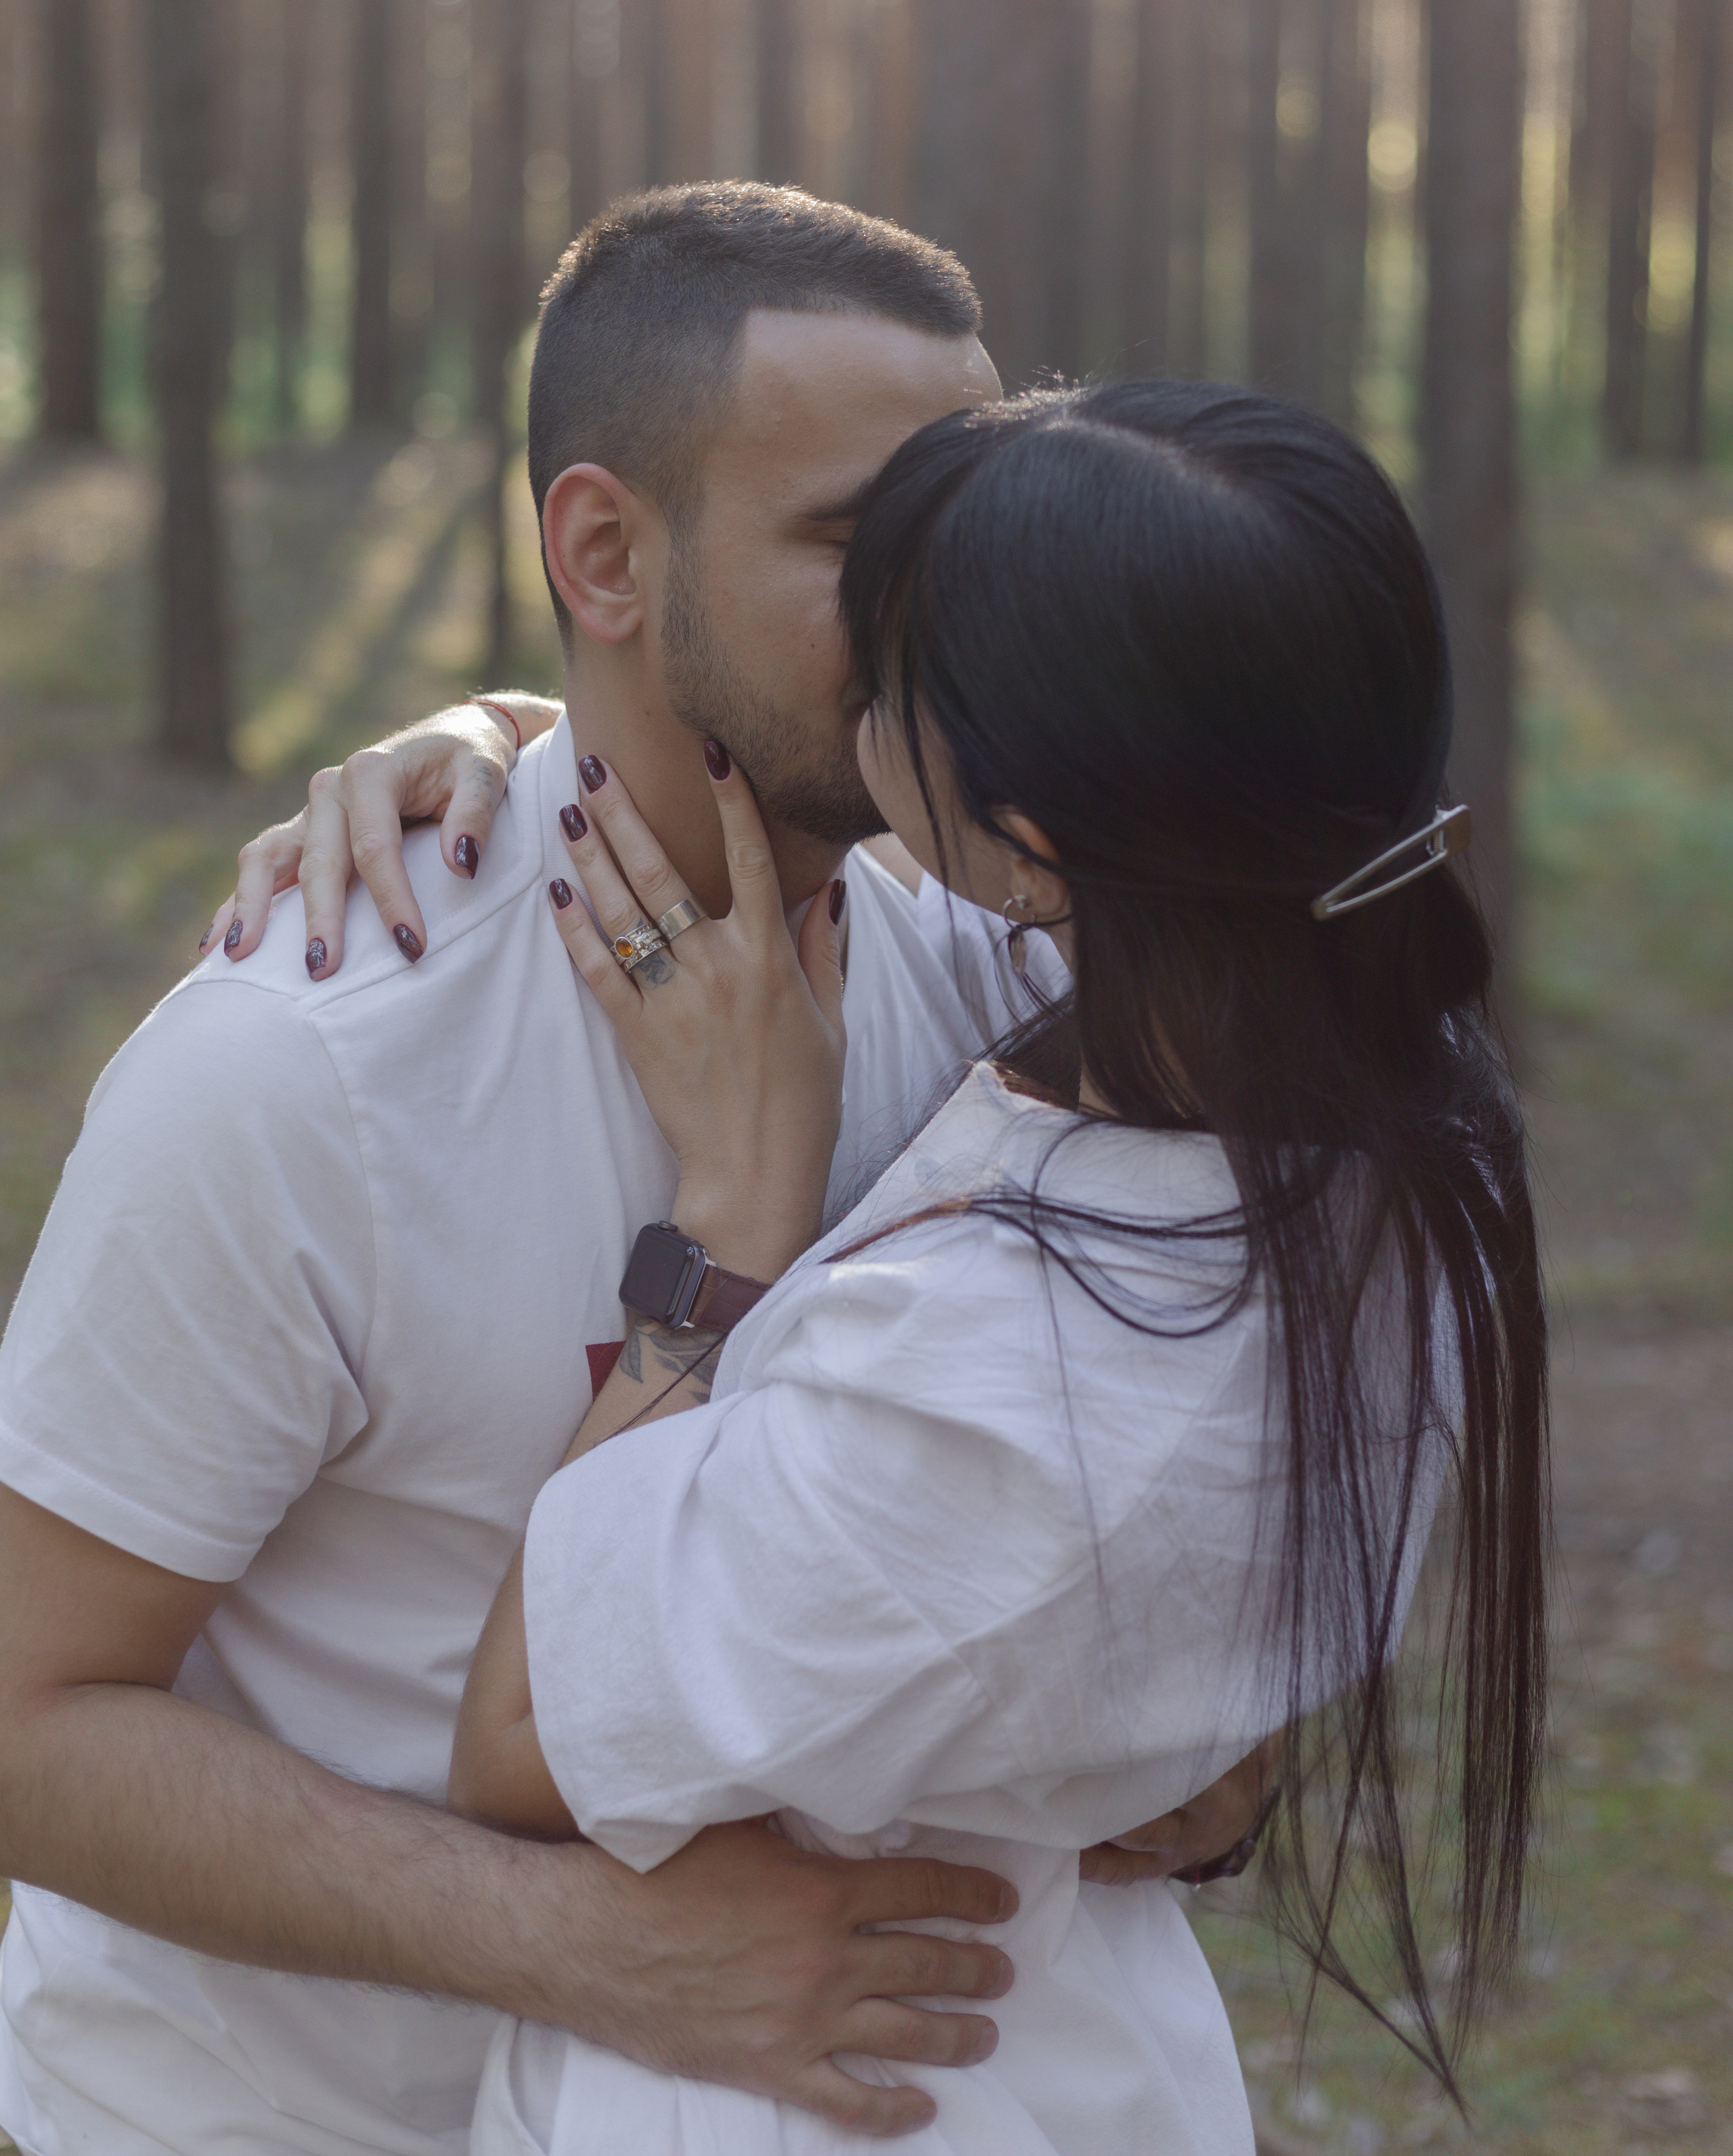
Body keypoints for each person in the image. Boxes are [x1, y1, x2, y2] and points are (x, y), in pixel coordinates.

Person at [0, 186, 1263, 2156]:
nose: (970, 621)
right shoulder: (306, 1065)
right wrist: (587, 1948)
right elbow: (28, 1723)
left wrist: (1199, 1764)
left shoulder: (1013, 974)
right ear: (601, 550)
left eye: (981, 536)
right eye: (867, 547)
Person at [435, 379, 1547, 2155]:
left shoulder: (996, 1400)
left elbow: (520, 1742)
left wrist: (726, 1234)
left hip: (850, 2094)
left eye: (883, 682)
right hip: (1076, 2062)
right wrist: (510, 743)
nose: (842, 704)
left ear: (1032, 838)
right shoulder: (1405, 1133)